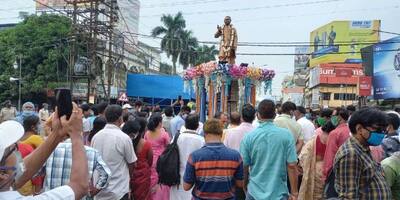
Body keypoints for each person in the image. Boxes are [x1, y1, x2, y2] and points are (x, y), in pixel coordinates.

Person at [0, 103, 89, 199]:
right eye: (13, 149)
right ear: (2, 174)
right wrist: (76, 134)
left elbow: (22, 172)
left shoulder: (5, 181)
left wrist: (57, 134)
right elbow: (79, 186)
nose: (17, 150)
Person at [240, 99, 298, 200]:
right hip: (279, 193)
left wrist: (245, 186)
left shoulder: (248, 137)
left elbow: (244, 166)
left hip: (254, 192)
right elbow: (292, 165)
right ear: (275, 115)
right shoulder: (286, 135)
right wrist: (294, 192)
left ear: (258, 115)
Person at [333, 108, 392, 199]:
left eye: (384, 130)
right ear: (359, 129)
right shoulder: (351, 154)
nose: (381, 133)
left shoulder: (363, 148)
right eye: (377, 129)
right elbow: (349, 197)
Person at [183, 119, 243, 199]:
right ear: (221, 134)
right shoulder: (235, 156)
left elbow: (186, 186)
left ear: (204, 134)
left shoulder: (194, 156)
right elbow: (240, 183)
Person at [43, 133, 111, 200]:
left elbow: (37, 173)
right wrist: (94, 191)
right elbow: (106, 174)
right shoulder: (91, 152)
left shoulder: (49, 150)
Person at [91, 105, 137, 200]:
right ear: (120, 118)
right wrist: (127, 178)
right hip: (118, 190)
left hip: (99, 190)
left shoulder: (96, 137)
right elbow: (132, 163)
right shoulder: (124, 138)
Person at [170, 114, 205, 200]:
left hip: (176, 176)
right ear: (197, 126)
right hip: (195, 178)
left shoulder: (177, 137)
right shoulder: (201, 140)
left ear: (185, 125)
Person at [298, 122, 336, 199]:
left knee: (316, 194)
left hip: (318, 171)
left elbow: (303, 156)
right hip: (322, 171)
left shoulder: (314, 140)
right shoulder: (332, 139)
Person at [122, 118, 153, 200]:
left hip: (127, 173)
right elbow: (150, 161)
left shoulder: (124, 142)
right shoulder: (146, 144)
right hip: (143, 175)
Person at [144, 113, 171, 199]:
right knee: (161, 181)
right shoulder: (164, 134)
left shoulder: (147, 133)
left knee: (151, 180)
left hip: (149, 160)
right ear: (160, 122)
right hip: (161, 161)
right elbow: (169, 147)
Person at [323, 108, 350, 179]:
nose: (332, 118)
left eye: (333, 116)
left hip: (336, 172)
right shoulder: (351, 130)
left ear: (339, 117)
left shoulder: (335, 133)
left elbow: (330, 155)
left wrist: (326, 174)